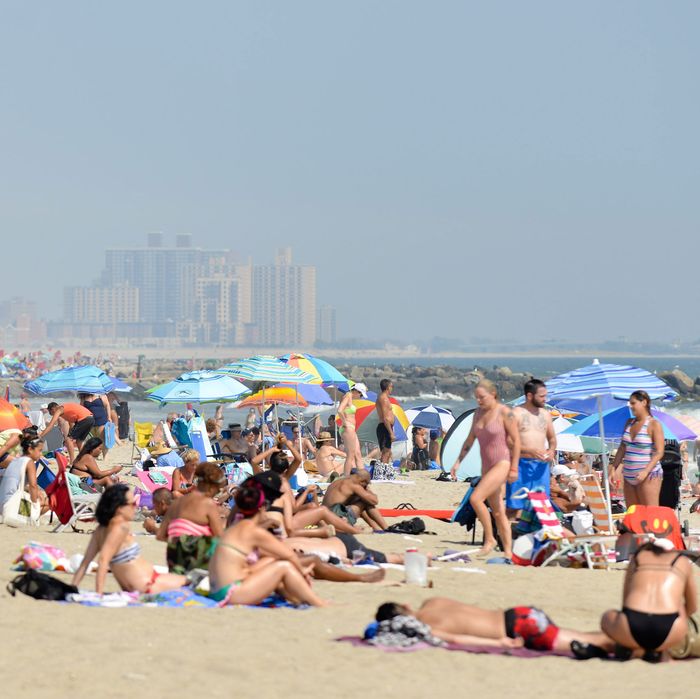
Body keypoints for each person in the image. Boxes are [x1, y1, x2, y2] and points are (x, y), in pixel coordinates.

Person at [208, 480, 328, 606]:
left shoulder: (235, 527)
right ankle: (319, 603)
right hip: (231, 593)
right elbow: (289, 555)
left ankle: (295, 599)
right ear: (262, 508)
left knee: (272, 560)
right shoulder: (254, 531)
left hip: (216, 590)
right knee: (284, 566)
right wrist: (303, 571)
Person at [371, 598, 613, 654]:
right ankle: (626, 641)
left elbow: (456, 640)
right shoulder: (433, 602)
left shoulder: (425, 625)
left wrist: (498, 643)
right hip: (518, 613)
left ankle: (635, 643)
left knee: (576, 642)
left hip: (514, 629)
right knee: (578, 635)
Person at [71, 484, 187, 594]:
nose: (136, 506)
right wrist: (99, 594)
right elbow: (103, 561)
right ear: (119, 508)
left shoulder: (99, 531)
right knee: (192, 582)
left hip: (147, 582)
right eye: (132, 504)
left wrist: (72, 588)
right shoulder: (121, 527)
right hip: (149, 584)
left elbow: (85, 563)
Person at [451, 379, 519, 558]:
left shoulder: (504, 412)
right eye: (476, 398)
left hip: (502, 463)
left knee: (476, 499)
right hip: (486, 467)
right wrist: (458, 461)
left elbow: (516, 441)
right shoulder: (478, 414)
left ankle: (490, 539)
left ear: (493, 394)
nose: (479, 401)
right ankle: (508, 552)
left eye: (482, 397)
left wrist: (514, 468)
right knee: (497, 511)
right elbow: (470, 440)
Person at [601, 536, 697, 661]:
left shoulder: (638, 557)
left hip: (632, 623)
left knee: (607, 617)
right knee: (678, 605)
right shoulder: (681, 561)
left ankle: (637, 650)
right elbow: (692, 606)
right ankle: (659, 650)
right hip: (669, 627)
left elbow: (625, 602)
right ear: (672, 551)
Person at [157, 462, 226, 574]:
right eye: (218, 489)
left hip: (174, 561)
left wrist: (179, 542)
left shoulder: (176, 503)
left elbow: (160, 535)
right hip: (197, 560)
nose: (218, 492)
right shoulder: (208, 504)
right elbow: (219, 536)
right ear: (211, 486)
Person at [505, 378, 557, 514]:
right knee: (514, 507)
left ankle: (534, 534)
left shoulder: (545, 415)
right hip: (520, 464)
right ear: (529, 396)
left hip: (540, 467)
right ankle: (508, 534)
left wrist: (551, 451)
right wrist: (530, 450)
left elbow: (552, 439)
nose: (545, 399)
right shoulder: (516, 413)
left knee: (541, 506)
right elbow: (509, 442)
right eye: (541, 396)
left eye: (545, 396)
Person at [609, 390, 664, 507]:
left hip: (649, 475)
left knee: (650, 513)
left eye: (633, 403)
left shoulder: (654, 424)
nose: (630, 406)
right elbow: (622, 448)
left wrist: (645, 471)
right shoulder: (629, 423)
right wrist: (613, 469)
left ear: (644, 402)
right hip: (628, 475)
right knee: (634, 514)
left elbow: (659, 452)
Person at [322, 469, 387, 531]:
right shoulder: (354, 485)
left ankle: (376, 528)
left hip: (325, 517)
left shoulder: (338, 481)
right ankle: (386, 528)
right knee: (365, 502)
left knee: (359, 502)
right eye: (366, 484)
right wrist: (368, 491)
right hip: (337, 519)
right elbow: (374, 501)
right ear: (362, 481)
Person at [0, 434, 49, 516]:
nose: (41, 454)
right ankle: (33, 516)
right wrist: (35, 503)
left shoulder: (16, 460)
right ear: (30, 449)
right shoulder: (29, 462)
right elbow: (33, 486)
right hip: (11, 508)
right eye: (39, 450)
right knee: (50, 502)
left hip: (2, 503)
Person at [337, 383, 367, 475]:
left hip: (350, 428)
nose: (361, 397)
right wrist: (345, 422)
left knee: (357, 454)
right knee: (350, 455)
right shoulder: (348, 395)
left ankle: (362, 476)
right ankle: (346, 478)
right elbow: (339, 410)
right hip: (348, 428)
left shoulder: (349, 396)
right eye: (361, 394)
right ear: (356, 391)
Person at [79, 392, 111, 456]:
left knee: (102, 439)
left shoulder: (101, 395)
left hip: (101, 419)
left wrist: (109, 417)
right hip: (90, 421)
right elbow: (81, 409)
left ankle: (105, 455)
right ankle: (95, 454)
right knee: (93, 440)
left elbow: (107, 405)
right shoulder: (84, 397)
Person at [375, 379, 395, 463]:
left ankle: (384, 471)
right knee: (386, 453)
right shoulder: (383, 399)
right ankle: (382, 473)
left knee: (388, 452)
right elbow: (385, 417)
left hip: (386, 426)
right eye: (391, 386)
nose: (392, 388)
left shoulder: (384, 398)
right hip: (385, 427)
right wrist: (391, 433)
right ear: (387, 387)